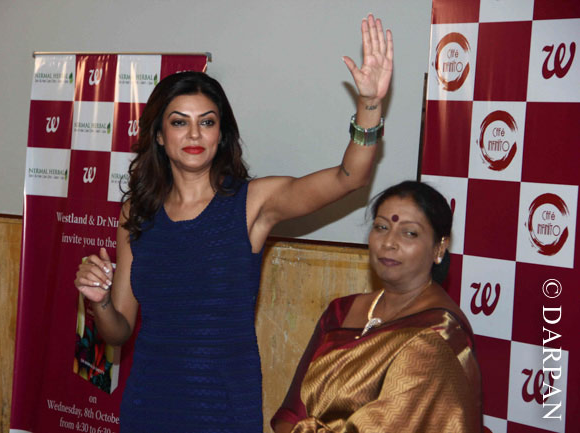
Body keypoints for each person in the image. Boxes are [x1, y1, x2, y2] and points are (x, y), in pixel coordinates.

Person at [74, 13, 393, 432]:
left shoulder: (252, 202)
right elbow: (119, 331)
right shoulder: (137, 212)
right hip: (149, 406)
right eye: (179, 122)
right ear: (159, 136)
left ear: (220, 134)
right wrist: (98, 303)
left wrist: (369, 104)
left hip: (223, 412)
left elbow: (349, 178)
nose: (194, 134)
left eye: (207, 122)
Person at [271, 181, 483, 433]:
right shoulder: (340, 312)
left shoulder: (439, 334)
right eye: (381, 227)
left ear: (439, 247)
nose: (389, 242)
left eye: (409, 233)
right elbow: (292, 412)